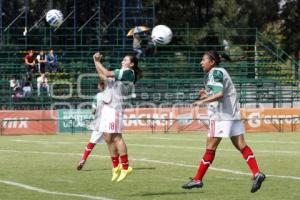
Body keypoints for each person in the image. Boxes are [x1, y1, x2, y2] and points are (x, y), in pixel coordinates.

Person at [182, 50, 265, 193]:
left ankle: (197, 179)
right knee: (242, 146)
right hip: (233, 114)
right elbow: (220, 93)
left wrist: (201, 101)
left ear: (212, 62)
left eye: (203, 60)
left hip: (221, 117)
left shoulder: (214, 72)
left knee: (210, 148)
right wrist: (207, 94)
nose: (201, 62)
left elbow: (220, 94)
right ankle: (257, 173)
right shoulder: (220, 71)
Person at [93, 52, 142, 182]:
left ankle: (126, 167)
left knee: (117, 137)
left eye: (125, 59)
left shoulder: (128, 72)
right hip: (108, 108)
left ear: (131, 64)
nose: (122, 61)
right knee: (107, 138)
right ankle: (116, 167)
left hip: (115, 108)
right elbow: (103, 76)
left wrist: (98, 62)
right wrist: (95, 61)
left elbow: (107, 73)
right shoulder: (121, 73)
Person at [77, 81, 106, 170]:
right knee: (114, 142)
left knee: (91, 143)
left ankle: (83, 159)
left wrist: (94, 112)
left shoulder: (97, 96)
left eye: (98, 85)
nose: (97, 87)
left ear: (101, 86)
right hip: (110, 122)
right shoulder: (112, 96)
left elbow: (93, 111)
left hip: (99, 123)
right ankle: (120, 164)